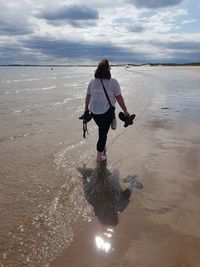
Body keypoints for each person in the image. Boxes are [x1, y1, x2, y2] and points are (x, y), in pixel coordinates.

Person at [84, 59, 130, 162]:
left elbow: (88, 96)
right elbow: (119, 98)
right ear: (108, 69)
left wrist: (86, 110)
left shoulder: (92, 81)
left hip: (94, 112)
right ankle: (99, 156)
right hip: (107, 112)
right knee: (103, 132)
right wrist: (125, 111)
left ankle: (102, 147)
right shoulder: (113, 82)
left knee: (101, 129)